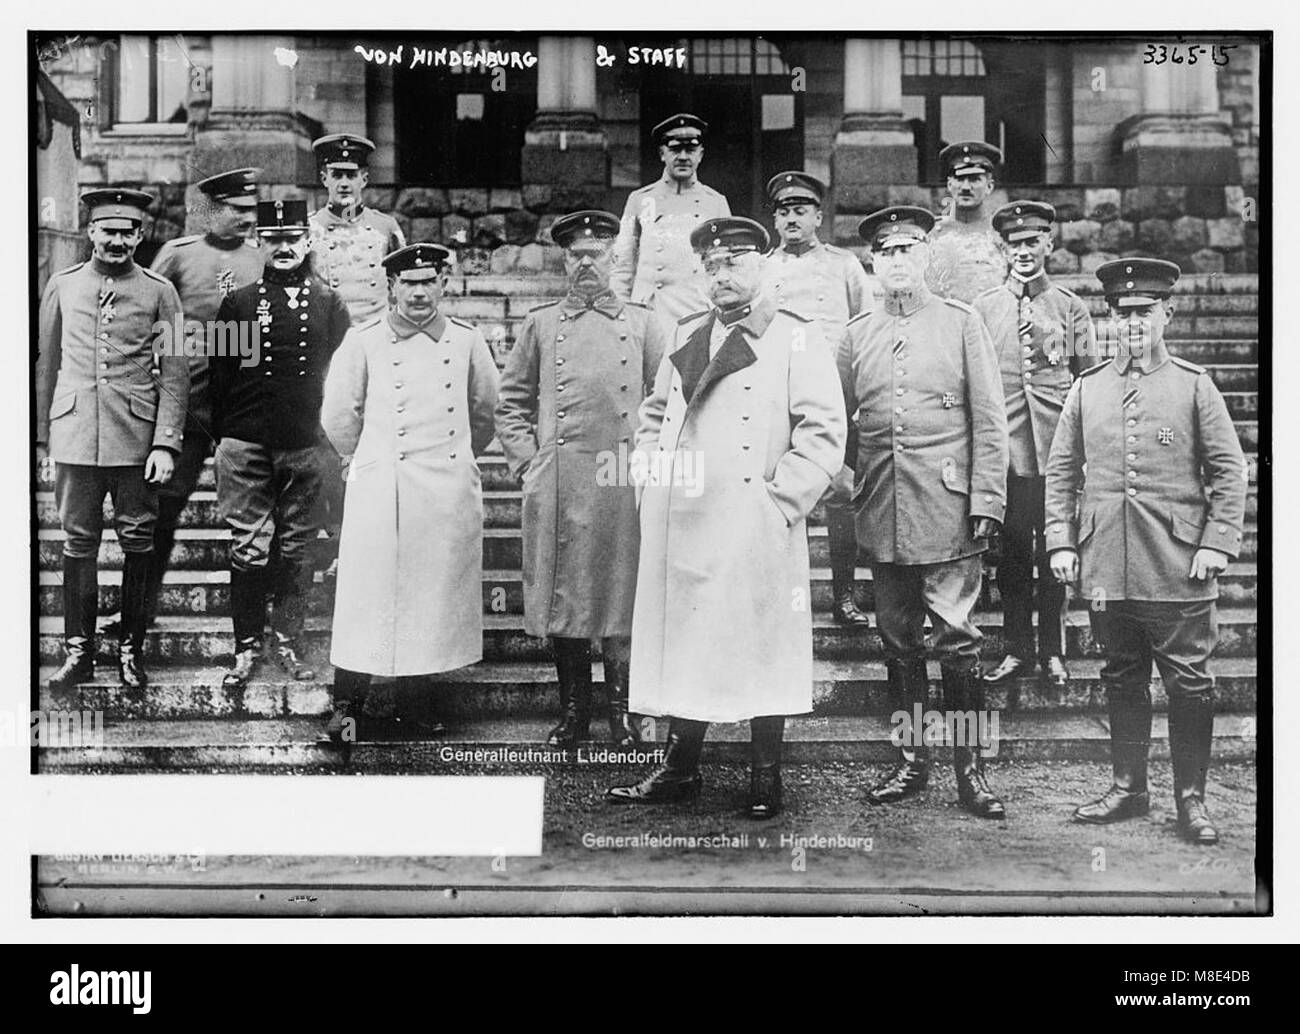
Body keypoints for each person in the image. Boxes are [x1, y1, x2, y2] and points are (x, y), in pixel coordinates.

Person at [606, 217, 846, 820]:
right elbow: (655, 414)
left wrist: (777, 503)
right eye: (712, 267)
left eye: (735, 263)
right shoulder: (688, 332)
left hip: (752, 522)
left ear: (762, 266)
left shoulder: (793, 337)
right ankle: (680, 771)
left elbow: (822, 435)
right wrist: (648, 479)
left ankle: (766, 777)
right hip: (684, 518)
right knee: (689, 642)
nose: (723, 276)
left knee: (763, 646)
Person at [1045, 258, 1247, 845]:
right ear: (1110, 318)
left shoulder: (1193, 385)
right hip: (1107, 564)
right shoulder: (1087, 388)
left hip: (1179, 565)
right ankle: (1129, 787)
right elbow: (1061, 474)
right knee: (1121, 677)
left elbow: (1229, 472)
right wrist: (1061, 540)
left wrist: (1216, 543)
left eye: (1144, 312)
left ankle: (1193, 800)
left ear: (1167, 314)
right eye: (1122, 313)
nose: (1132, 323)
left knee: (1189, 684)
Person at [837, 206, 1009, 819]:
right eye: (887, 253)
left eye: (909, 251)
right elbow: (838, 423)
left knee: (958, 643)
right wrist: (850, 483)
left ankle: (972, 773)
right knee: (899, 643)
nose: (898, 262)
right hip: (884, 508)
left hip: (949, 510)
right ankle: (911, 763)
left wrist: (987, 499)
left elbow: (991, 420)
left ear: (927, 258)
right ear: (873, 264)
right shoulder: (857, 334)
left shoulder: (962, 323)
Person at [495, 211, 667, 750]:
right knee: (564, 596)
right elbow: (511, 403)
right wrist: (529, 463)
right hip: (561, 480)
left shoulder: (645, 322)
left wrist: (653, 468)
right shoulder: (542, 324)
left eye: (598, 253)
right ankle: (574, 710)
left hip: (622, 479)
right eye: (577, 254)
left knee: (621, 595)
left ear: (616, 258)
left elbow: (668, 403)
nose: (587, 262)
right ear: (565, 260)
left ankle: (621, 711)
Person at [322, 243, 500, 744]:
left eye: (428, 282)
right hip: (382, 486)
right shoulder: (364, 341)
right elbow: (338, 413)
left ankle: (415, 705)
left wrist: (451, 456)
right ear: (391, 287)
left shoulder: (467, 340)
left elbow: (484, 412)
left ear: (443, 284)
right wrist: (370, 459)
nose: (419, 293)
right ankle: (347, 708)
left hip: (442, 488)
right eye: (408, 283)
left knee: (428, 596)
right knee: (367, 596)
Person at [98, 168, 264, 636]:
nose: (249, 219)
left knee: (254, 521)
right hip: (188, 408)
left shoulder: (263, 258)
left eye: (253, 210)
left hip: (243, 412)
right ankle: (137, 613)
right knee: (161, 513)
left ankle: (257, 623)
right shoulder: (177, 255)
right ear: (212, 210)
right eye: (238, 210)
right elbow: (143, 311)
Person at [37, 188, 189, 690]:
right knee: (78, 543)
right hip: (75, 437)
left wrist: (165, 443)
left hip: (136, 440)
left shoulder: (159, 291)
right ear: (91, 232)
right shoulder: (63, 285)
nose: (118, 241)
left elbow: (174, 371)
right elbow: (46, 366)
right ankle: (77, 653)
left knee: (138, 541)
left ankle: (130, 649)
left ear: (141, 235)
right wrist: (42, 442)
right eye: (109, 231)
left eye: (128, 232)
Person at [209, 199, 351, 689]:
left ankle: (288, 640)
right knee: (248, 547)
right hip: (246, 442)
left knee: (296, 547)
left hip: (305, 443)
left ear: (307, 243)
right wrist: (224, 439)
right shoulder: (240, 302)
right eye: (274, 241)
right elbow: (219, 377)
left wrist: (330, 442)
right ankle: (246, 646)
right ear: (261, 245)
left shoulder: (329, 302)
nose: (284, 248)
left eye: (293, 240)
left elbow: (344, 372)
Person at [972, 200, 1096, 690]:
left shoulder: (1070, 307)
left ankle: (1053, 652)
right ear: (1003, 248)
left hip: (1057, 455)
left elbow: (1088, 383)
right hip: (1007, 455)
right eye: (1014, 244)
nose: (1023, 252)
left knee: (1055, 556)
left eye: (1031, 242)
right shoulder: (984, 308)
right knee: (1014, 558)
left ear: (1049, 244)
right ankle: (1017, 649)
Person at [761, 170, 873, 626]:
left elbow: (866, 329)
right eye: (784, 211)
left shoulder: (844, 265)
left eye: (800, 210)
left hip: (833, 397)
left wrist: (862, 396)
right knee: (783, 492)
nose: (792, 219)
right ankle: (783, 599)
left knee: (841, 494)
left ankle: (844, 597)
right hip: (778, 396)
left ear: (817, 216)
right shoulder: (763, 266)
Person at [307, 133, 407, 580]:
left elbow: (404, 288)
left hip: (377, 350)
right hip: (327, 352)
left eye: (352, 175)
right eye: (336, 175)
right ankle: (335, 532)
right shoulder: (308, 230)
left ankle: (374, 536)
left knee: (376, 443)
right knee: (329, 444)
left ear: (365, 179)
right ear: (323, 178)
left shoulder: (386, 228)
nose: (344, 183)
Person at [610, 113, 731, 326]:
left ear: (700, 154)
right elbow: (622, 266)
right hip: (649, 313)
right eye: (675, 150)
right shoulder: (640, 200)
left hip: (698, 312)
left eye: (691, 150)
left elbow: (727, 265)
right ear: (662, 154)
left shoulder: (716, 203)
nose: (683, 157)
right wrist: (619, 316)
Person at [925, 141, 1008, 304]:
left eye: (975, 179)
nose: (965, 187)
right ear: (949, 185)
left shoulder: (1003, 235)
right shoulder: (931, 235)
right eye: (959, 179)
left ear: (989, 186)